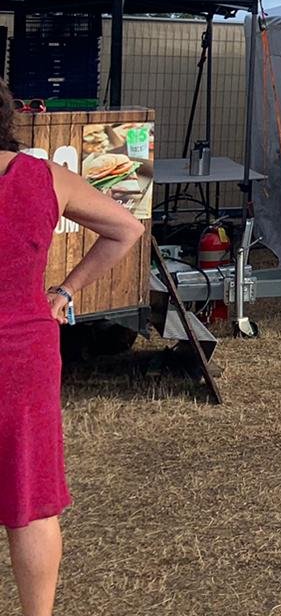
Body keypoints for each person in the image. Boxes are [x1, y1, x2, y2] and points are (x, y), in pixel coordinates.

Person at [2, 81, 145, 616]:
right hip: (27, 349)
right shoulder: (43, 177)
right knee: (31, 499)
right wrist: (64, 291)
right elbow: (125, 228)